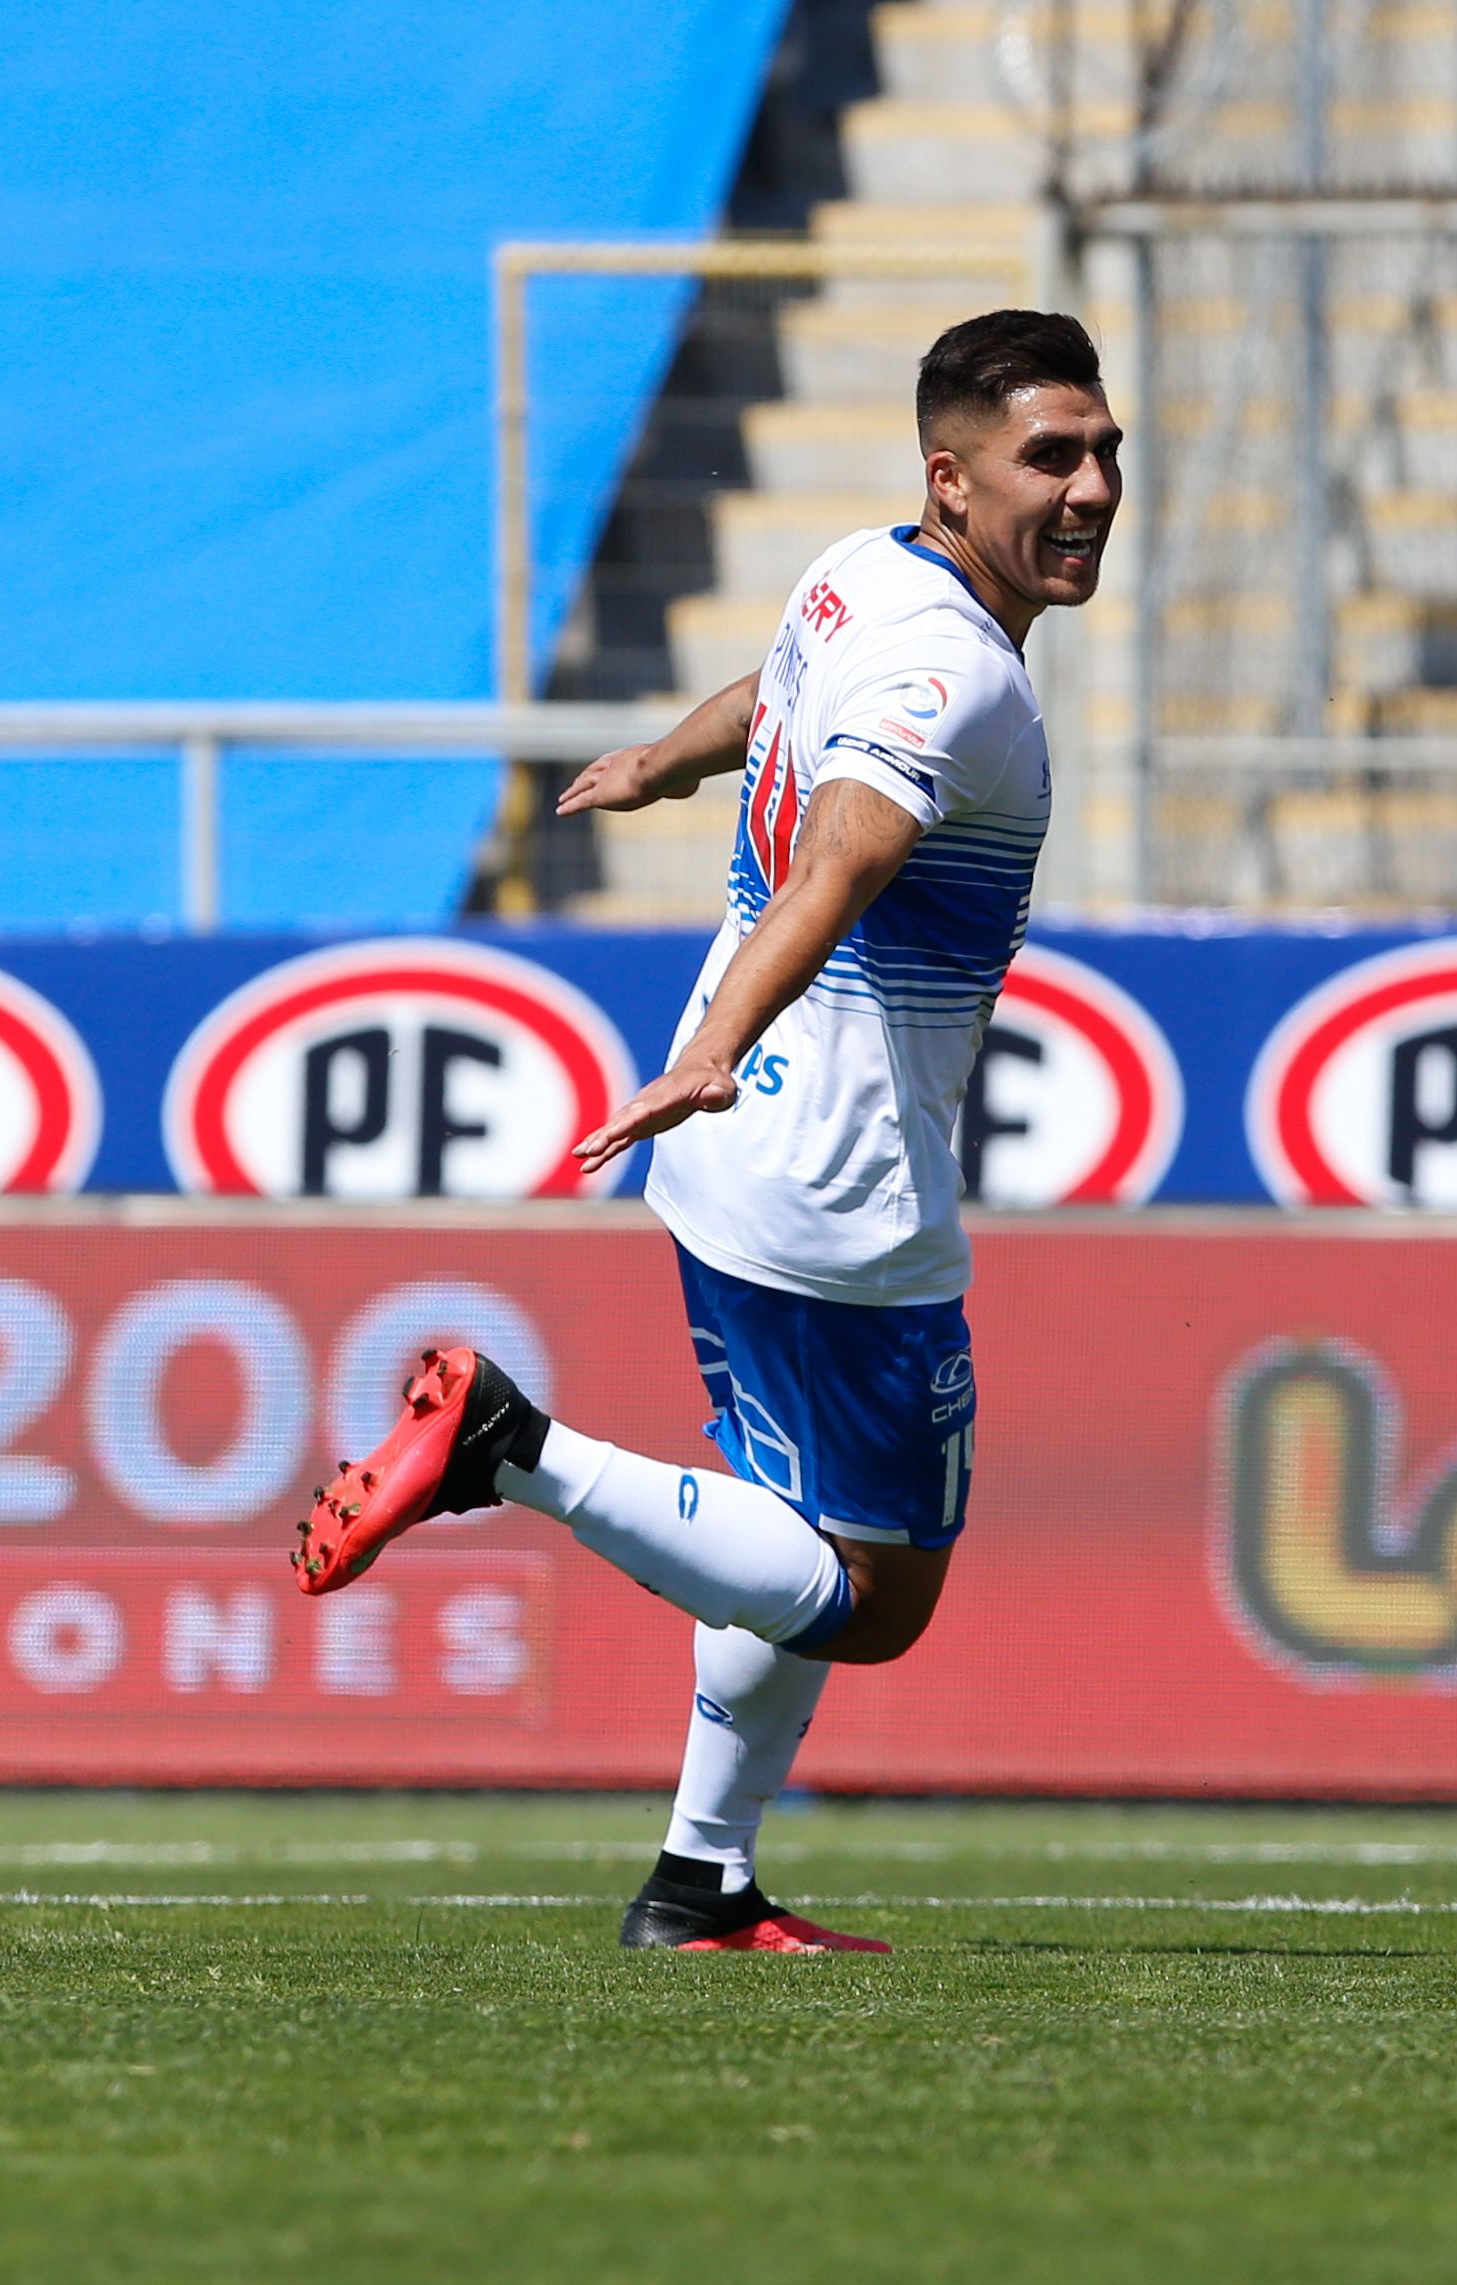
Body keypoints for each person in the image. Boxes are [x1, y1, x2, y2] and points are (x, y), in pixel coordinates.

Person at [288, 309, 1121, 1954]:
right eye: (1053, 456)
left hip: (735, 1155)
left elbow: (786, 691)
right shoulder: (955, 673)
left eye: (1105, 452)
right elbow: (848, 856)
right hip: (833, 1170)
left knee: (772, 1516)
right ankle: (503, 1447)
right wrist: (725, 1044)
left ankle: (701, 1878)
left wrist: (668, 760)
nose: (1093, 486)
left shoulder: (867, 571)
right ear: (952, 480)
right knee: (874, 1600)